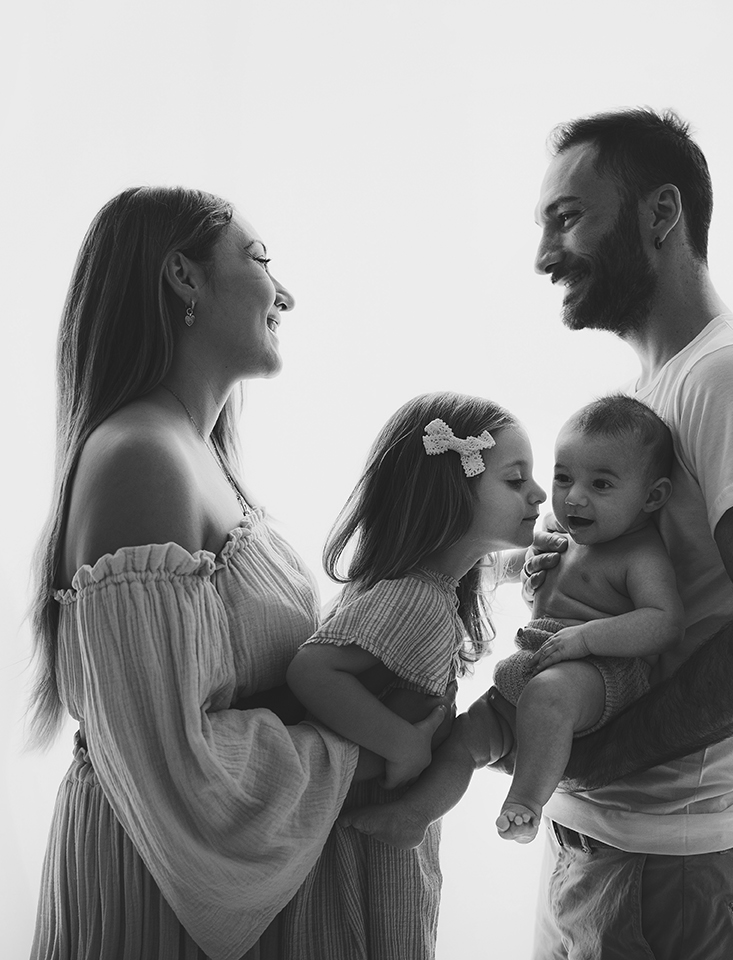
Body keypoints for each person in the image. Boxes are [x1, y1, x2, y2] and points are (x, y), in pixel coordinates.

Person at [26, 186, 449, 960]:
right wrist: (373, 747)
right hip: (161, 893)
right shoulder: (142, 457)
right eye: (259, 259)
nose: (284, 293)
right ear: (182, 276)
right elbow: (179, 766)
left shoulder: (197, 454)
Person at [516, 107, 733, 959]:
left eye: (567, 218)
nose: (544, 255)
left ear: (661, 214)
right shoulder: (647, 397)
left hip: (673, 871)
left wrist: (591, 758)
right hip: (603, 847)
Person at [285, 391, 546, 957]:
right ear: (450, 495)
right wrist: (403, 743)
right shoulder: (416, 600)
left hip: (370, 816)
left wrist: (543, 557)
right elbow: (313, 669)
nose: (539, 493)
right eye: (515, 479)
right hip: (367, 835)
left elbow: (493, 566)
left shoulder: (431, 585)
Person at [490, 395, 685, 843]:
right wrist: (520, 572)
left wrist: (585, 638)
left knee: (547, 696)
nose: (574, 497)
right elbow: (514, 567)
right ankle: (418, 808)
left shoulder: (639, 554)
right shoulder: (563, 533)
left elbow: (665, 622)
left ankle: (525, 804)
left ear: (652, 496)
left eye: (601, 485)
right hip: (544, 661)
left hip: (602, 671)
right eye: (563, 478)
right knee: (470, 729)